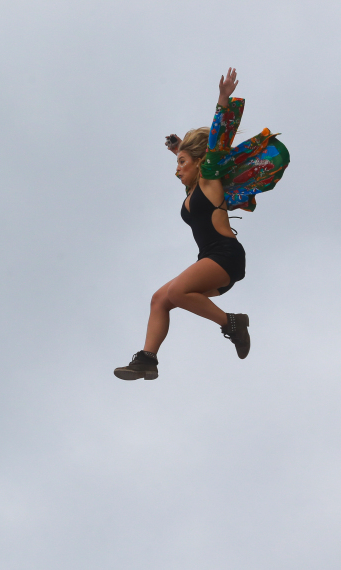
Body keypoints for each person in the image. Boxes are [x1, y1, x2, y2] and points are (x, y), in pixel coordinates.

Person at [114, 68, 255, 381]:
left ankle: (232, 323)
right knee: (159, 299)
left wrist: (222, 99)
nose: (176, 169)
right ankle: (148, 359)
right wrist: (179, 150)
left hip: (225, 255)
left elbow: (214, 147)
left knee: (177, 291)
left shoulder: (209, 181)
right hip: (210, 260)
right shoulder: (194, 190)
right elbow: (190, 159)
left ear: (200, 162)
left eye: (181, 163)